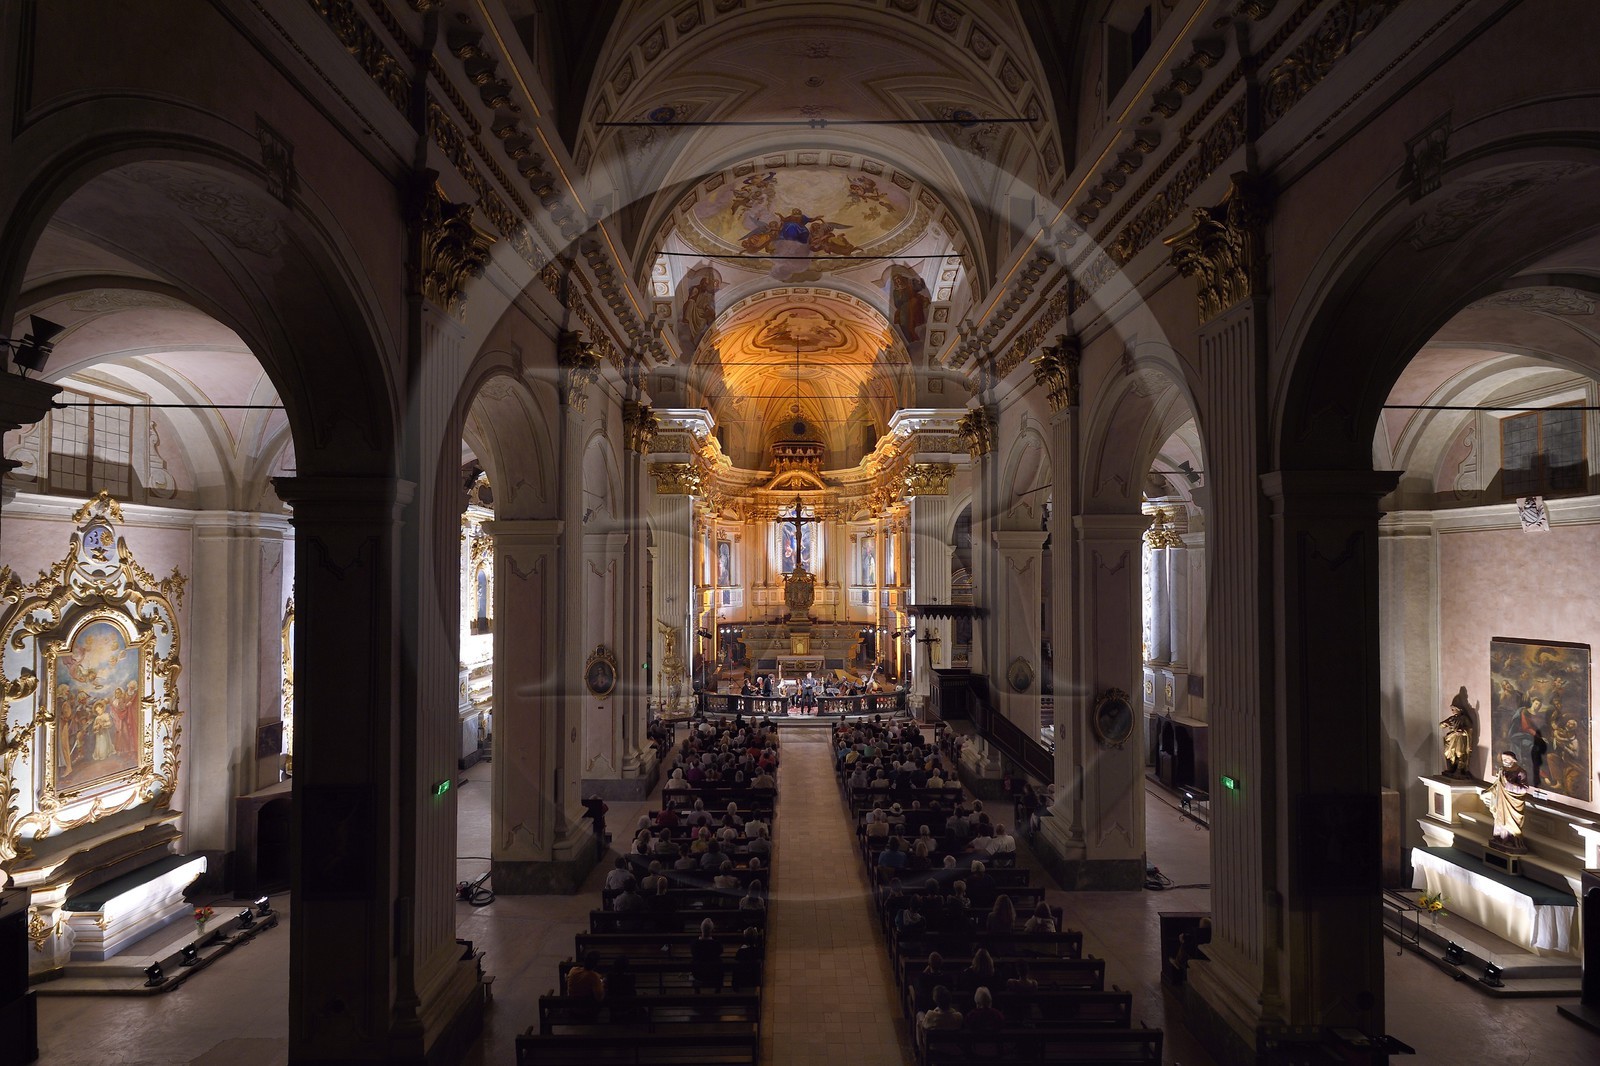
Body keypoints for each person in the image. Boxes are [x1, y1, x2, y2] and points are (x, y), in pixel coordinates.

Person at [1482, 750, 1533, 850]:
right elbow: (1497, 784)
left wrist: (1508, 784)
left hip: (1513, 804)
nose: (1504, 761)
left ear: (1513, 760)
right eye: (1503, 759)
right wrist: (1488, 791)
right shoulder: (1502, 770)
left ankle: (1511, 841)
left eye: (1506, 759)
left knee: (1511, 823)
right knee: (1500, 820)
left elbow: (1524, 789)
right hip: (1501, 801)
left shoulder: (1521, 772)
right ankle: (1500, 838)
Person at [916, 985, 964, 1050]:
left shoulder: (931, 1015)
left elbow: (924, 1026)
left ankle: (920, 1049)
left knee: (920, 1015)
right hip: (952, 1046)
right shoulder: (958, 1017)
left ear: (936, 1001)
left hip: (934, 1046)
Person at [1441, 690, 1475, 777]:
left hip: (1460, 738)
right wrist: (1445, 724)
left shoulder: (1464, 718)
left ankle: (1459, 770)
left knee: (1459, 753)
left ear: (1459, 709)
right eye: (1451, 710)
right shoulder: (1452, 718)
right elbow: (1441, 725)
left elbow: (1470, 728)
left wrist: (1463, 731)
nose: (1452, 711)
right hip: (1452, 738)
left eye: (1453, 709)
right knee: (1448, 753)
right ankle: (1451, 768)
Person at [690, 918, 724, 992]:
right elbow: (720, 952)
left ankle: (697, 990)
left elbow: (693, 954)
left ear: (701, 929)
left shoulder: (695, 944)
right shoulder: (716, 944)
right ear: (712, 930)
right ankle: (718, 990)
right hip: (714, 972)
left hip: (698, 973)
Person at [581, 794, 609, 860]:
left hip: (598, 824)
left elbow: (606, 808)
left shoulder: (598, 806)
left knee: (599, 838)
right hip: (598, 824)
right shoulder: (598, 806)